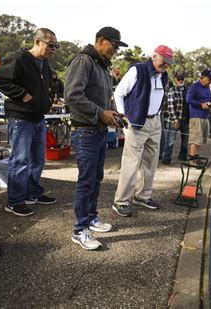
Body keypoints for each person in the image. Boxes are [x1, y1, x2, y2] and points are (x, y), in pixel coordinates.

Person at [65, 26, 127, 250]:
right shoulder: (84, 61)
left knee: (96, 178)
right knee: (86, 180)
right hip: (84, 131)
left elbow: (102, 99)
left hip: (98, 131)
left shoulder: (102, 65)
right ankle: (80, 230)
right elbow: (72, 95)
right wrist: (101, 113)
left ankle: (90, 218)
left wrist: (112, 112)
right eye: (114, 45)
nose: (115, 50)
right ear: (100, 40)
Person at [0, 28, 58, 217]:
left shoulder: (44, 63)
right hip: (21, 117)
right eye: (51, 45)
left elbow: (47, 85)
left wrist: (48, 99)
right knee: (20, 160)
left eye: (56, 45)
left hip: (38, 116)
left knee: (38, 158)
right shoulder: (19, 58)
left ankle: (33, 193)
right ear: (38, 42)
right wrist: (22, 95)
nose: (54, 49)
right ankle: (15, 201)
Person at [112, 44, 174, 217]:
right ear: (154, 56)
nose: (166, 65)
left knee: (151, 163)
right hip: (136, 122)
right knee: (131, 163)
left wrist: (158, 115)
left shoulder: (164, 76)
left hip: (155, 121)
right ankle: (121, 201)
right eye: (164, 61)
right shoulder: (137, 70)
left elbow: (158, 97)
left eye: (169, 62)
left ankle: (143, 195)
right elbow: (118, 93)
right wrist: (123, 116)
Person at [161, 71, 188, 164]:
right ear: (175, 80)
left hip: (185, 119)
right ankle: (166, 157)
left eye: (182, 78)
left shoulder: (186, 90)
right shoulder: (172, 91)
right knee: (170, 140)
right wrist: (176, 120)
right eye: (178, 79)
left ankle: (183, 155)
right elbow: (171, 107)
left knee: (185, 140)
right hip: (174, 120)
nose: (180, 80)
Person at [187, 69, 211, 162]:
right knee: (195, 139)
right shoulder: (194, 86)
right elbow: (188, 99)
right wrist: (200, 104)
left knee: (200, 140)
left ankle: (196, 157)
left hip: (205, 116)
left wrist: (210, 104)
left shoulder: (207, 87)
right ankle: (192, 159)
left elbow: (208, 99)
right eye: (209, 79)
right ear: (204, 78)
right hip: (196, 116)